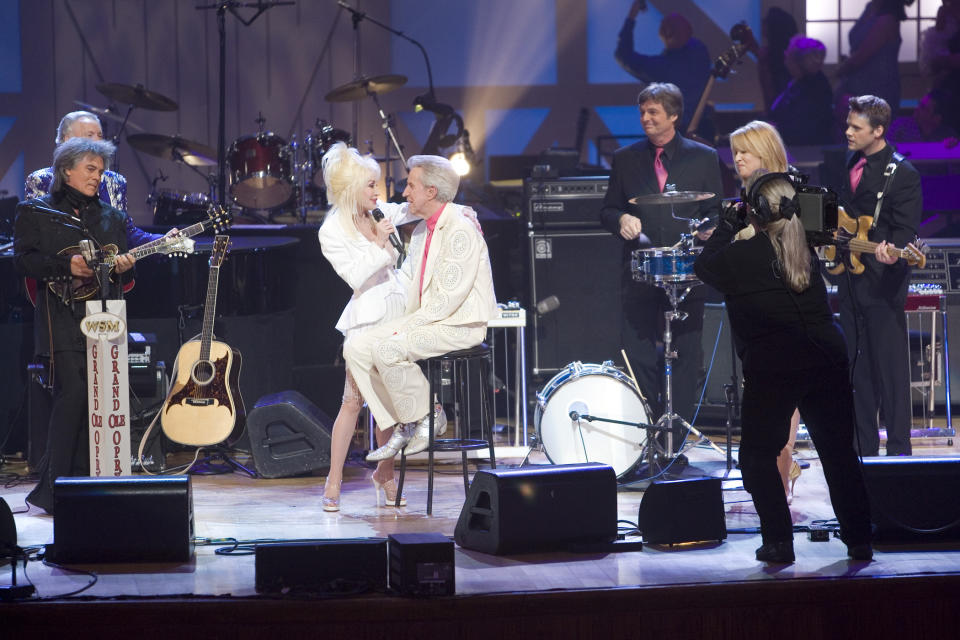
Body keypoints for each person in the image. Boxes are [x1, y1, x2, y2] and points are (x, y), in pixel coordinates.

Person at [694, 171, 874, 563]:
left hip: (775, 361)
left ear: (755, 212)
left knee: (757, 455)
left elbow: (705, 267)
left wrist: (727, 224)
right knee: (838, 451)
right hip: (826, 353)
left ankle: (778, 543)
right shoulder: (805, 247)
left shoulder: (743, 255)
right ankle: (860, 540)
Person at [344, 155, 497, 478]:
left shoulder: (460, 228)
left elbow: (445, 303)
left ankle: (427, 414)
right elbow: (409, 283)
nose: (405, 193)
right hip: (431, 318)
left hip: (460, 324)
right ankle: (408, 419)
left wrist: (398, 332)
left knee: (388, 348)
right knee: (356, 348)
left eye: (410, 186)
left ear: (431, 191)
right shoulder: (421, 232)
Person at [599, 82, 722, 457]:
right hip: (640, 271)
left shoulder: (703, 157)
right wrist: (620, 218)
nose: (646, 119)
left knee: (685, 354)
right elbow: (606, 209)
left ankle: (675, 441)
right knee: (637, 355)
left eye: (653, 112)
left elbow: (715, 210)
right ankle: (646, 433)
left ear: (673, 115)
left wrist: (710, 228)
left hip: (688, 270)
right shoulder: (625, 158)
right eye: (642, 112)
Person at [15, 138, 137, 514]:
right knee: (74, 391)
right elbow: (24, 262)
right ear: (66, 169)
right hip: (60, 315)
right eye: (90, 169)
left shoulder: (111, 218)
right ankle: (52, 489)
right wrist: (65, 266)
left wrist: (135, 259)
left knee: (100, 397)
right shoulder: (36, 212)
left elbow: (128, 254)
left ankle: (91, 481)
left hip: (104, 314)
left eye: (101, 171)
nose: (97, 177)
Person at [316, 143, 421, 511]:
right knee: (353, 401)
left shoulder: (377, 211)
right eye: (370, 185)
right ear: (351, 189)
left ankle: (386, 476)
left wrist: (460, 212)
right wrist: (379, 244)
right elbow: (355, 276)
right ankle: (334, 479)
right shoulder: (332, 230)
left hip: (395, 311)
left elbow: (412, 208)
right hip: (365, 318)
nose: (378, 191)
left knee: (390, 404)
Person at [835, 95, 922, 457]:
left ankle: (900, 454)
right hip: (850, 281)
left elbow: (903, 232)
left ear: (878, 131)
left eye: (856, 127)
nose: (848, 132)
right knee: (858, 374)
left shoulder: (903, 173)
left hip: (883, 286)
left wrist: (892, 254)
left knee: (890, 375)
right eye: (848, 124)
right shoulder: (850, 160)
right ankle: (863, 451)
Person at [728, 120, 802, 501]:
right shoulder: (743, 199)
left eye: (746, 150)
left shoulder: (789, 194)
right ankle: (778, 471)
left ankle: (784, 468)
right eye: (735, 150)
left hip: (785, 308)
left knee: (783, 395)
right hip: (753, 312)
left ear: (766, 153)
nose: (737, 157)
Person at [25, 110, 161, 249]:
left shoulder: (114, 182)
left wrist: (162, 240)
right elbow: (39, 242)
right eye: (89, 135)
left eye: (100, 135)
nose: (97, 141)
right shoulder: (41, 180)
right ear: (67, 140)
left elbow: (126, 234)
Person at [615, 5, 712, 137]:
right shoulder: (700, 53)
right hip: (705, 132)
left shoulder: (663, 68)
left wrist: (632, 14)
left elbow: (624, 55)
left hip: (677, 139)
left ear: (665, 35)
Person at [835, 0, 915, 112]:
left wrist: (840, 69)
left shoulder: (887, 20)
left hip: (877, 86)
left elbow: (861, 57)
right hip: (856, 84)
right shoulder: (871, 8)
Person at [769, 37, 834, 146]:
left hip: (807, 149)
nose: (785, 58)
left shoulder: (815, 87)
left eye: (788, 55)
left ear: (798, 61)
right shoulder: (796, 81)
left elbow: (803, 127)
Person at [756, 7, 799, 112]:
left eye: (766, 21)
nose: (762, 24)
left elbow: (771, 97)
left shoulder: (781, 59)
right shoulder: (772, 55)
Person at [888, 89, 959, 146]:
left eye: (924, 108)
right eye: (919, 104)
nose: (917, 109)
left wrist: (952, 148)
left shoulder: (947, 136)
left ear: (936, 118)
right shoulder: (900, 127)